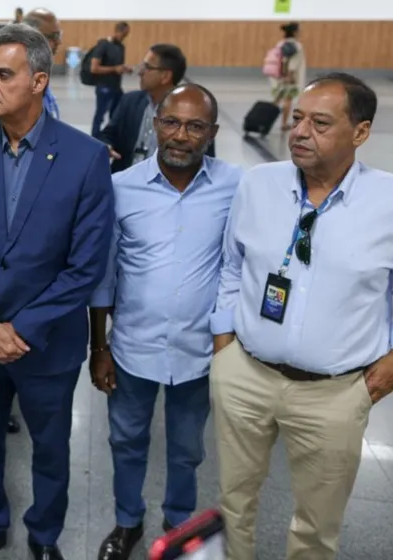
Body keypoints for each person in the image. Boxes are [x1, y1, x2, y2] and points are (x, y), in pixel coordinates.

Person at [210, 73, 393, 560]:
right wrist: (224, 339)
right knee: (234, 500)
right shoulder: (258, 184)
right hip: (245, 376)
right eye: (297, 119)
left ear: (360, 132)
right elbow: (233, 264)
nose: (299, 132)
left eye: (319, 123)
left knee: (318, 523)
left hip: (336, 393)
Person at [0, 24, 113, 560]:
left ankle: (44, 535)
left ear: (38, 81)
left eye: (1, 75)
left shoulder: (84, 157)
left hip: (47, 343)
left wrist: (20, 328)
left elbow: (86, 266)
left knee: (51, 450)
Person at [89, 85, 242, 560]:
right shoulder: (121, 187)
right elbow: (104, 275)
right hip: (133, 347)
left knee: (187, 449)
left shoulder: (236, 186)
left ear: (212, 133)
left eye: (196, 126)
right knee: (126, 440)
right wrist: (100, 347)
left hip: (201, 353)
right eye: (172, 122)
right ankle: (127, 521)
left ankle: (179, 523)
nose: (181, 135)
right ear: (155, 124)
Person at [101, 44, 215, 174]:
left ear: (165, 76)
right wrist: (106, 146)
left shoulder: (193, 111)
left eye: (147, 67)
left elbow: (205, 158)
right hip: (126, 179)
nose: (140, 72)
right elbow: (108, 134)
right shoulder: (129, 101)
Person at [88, 22, 132, 138]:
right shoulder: (103, 45)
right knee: (100, 115)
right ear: (119, 31)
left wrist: (124, 68)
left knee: (117, 114)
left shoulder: (121, 47)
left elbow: (118, 66)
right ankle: (95, 137)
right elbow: (94, 68)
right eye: (124, 34)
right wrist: (114, 69)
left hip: (116, 86)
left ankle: (112, 138)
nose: (125, 37)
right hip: (104, 87)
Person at [22, 8, 63, 120]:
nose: (59, 42)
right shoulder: (21, 84)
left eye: (59, 35)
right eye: (54, 36)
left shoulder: (40, 75)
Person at [272, 22, 306, 131]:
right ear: (295, 32)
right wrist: (290, 75)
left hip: (278, 76)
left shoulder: (280, 43)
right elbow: (293, 63)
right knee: (288, 99)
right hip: (289, 77)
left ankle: (266, 118)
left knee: (277, 99)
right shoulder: (296, 45)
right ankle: (284, 123)